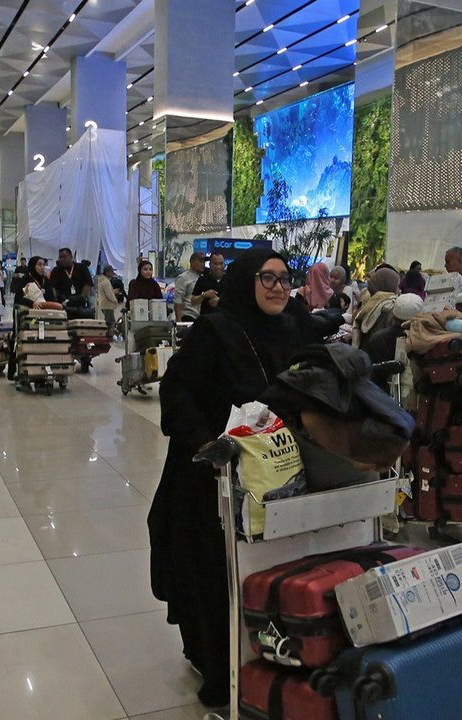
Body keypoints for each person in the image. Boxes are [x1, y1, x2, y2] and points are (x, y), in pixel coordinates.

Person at [150, 248, 307, 709]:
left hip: (276, 474)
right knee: (214, 573)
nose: (278, 287)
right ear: (245, 281)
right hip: (211, 478)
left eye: (284, 277)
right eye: (267, 278)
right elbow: (176, 391)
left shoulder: (294, 327)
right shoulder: (216, 331)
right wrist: (210, 445)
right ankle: (217, 663)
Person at [173, 252, 209, 321]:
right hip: (188, 315)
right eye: (200, 261)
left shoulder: (204, 278)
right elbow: (178, 300)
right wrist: (179, 320)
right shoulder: (183, 278)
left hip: (201, 317)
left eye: (204, 262)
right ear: (192, 262)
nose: (203, 264)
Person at [96, 265, 122, 335]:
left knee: (109, 320)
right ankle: (108, 335)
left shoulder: (102, 281)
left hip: (104, 304)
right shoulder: (106, 282)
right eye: (112, 271)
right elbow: (109, 295)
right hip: (108, 305)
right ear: (107, 272)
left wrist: (113, 291)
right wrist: (115, 300)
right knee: (110, 322)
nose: (113, 273)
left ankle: (109, 334)